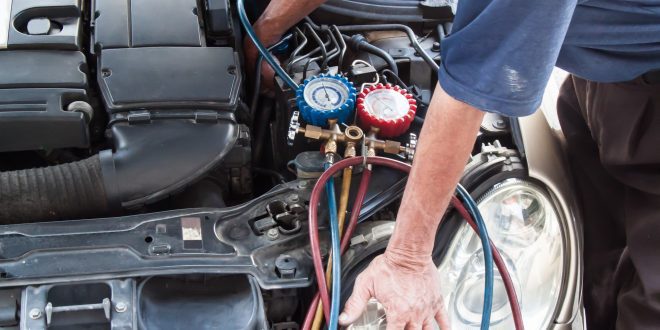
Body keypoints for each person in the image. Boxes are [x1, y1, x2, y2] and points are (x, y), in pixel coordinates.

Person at [245, 1, 660, 329]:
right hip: (610, 67)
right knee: (597, 256)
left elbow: (471, 91)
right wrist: (264, 32)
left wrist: (407, 260)